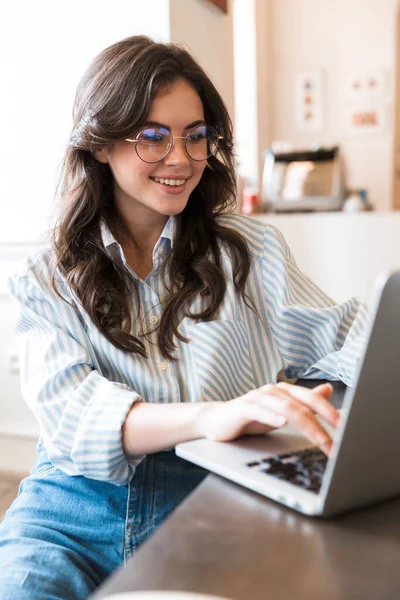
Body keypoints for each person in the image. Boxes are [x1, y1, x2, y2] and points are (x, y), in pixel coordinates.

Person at [0, 35, 367, 599]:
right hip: (71, 511)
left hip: (215, 495)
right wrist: (211, 415)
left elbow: (353, 342)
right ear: (100, 143)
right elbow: (73, 416)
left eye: (196, 137)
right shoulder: (44, 275)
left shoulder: (252, 252)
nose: (181, 158)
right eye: (153, 137)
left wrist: (303, 399)